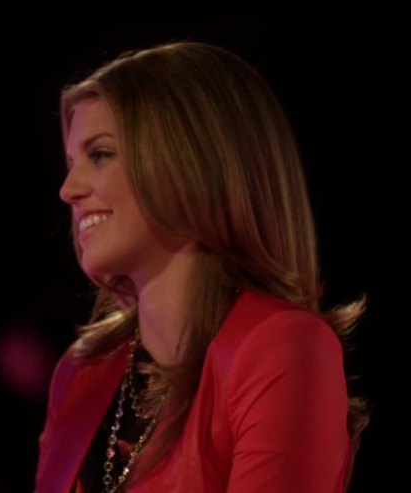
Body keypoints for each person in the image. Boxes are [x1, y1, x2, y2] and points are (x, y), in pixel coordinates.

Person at [35, 41, 369, 493]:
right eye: (72, 162)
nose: (67, 189)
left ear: (189, 163)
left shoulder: (281, 348)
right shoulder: (82, 373)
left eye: (100, 155)